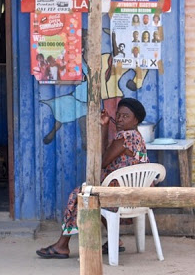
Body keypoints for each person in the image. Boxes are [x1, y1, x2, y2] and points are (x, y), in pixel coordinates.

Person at [35, 98, 149, 259]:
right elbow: (104, 155)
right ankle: (114, 241)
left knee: (79, 195)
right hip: (130, 194)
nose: (120, 119)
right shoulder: (136, 136)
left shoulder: (125, 137)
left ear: (136, 120)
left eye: (126, 116)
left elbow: (102, 161)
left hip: (120, 196)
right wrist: (105, 126)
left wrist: (104, 128)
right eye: (118, 115)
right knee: (92, 194)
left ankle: (62, 245)